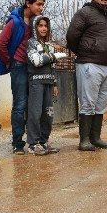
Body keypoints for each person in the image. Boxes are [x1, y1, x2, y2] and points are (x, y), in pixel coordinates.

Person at [66, 0, 107, 151]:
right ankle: (84, 141)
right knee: (88, 103)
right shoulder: (85, 13)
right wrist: (85, 52)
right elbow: (71, 36)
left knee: (101, 104)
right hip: (90, 64)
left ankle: (95, 138)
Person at [0, 0, 46, 155]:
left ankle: (34, 140)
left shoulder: (35, 22)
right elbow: (0, 42)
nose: (41, 8)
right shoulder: (15, 22)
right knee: (20, 105)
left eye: (43, 4)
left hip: (33, 67)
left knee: (35, 105)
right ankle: (17, 143)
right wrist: (9, 61)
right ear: (28, 3)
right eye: (38, 4)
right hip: (19, 66)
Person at [25, 15, 67, 155]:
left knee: (48, 114)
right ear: (35, 27)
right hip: (36, 83)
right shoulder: (31, 43)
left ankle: (43, 143)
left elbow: (52, 67)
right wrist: (56, 56)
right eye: (40, 25)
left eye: (45, 26)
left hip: (49, 83)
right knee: (35, 114)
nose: (43, 28)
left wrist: (55, 83)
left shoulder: (49, 45)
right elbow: (36, 61)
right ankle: (32, 144)